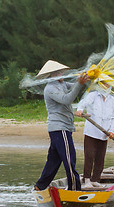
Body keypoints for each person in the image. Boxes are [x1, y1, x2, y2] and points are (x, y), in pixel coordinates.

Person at [34, 60, 89, 191]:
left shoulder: (62, 83)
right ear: (53, 75)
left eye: (62, 72)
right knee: (69, 158)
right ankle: (74, 188)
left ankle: (40, 185)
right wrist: (79, 84)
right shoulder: (50, 88)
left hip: (63, 128)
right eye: (59, 72)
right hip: (59, 128)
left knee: (54, 160)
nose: (62, 74)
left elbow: (76, 86)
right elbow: (67, 99)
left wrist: (87, 78)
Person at [75, 80, 114, 188]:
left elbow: (113, 117)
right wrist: (80, 110)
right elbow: (83, 103)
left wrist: (112, 131)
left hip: (104, 132)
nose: (105, 85)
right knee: (89, 155)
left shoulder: (112, 100)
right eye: (103, 83)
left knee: (100, 157)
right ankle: (87, 179)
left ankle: (95, 179)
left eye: (107, 83)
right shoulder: (93, 95)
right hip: (91, 131)